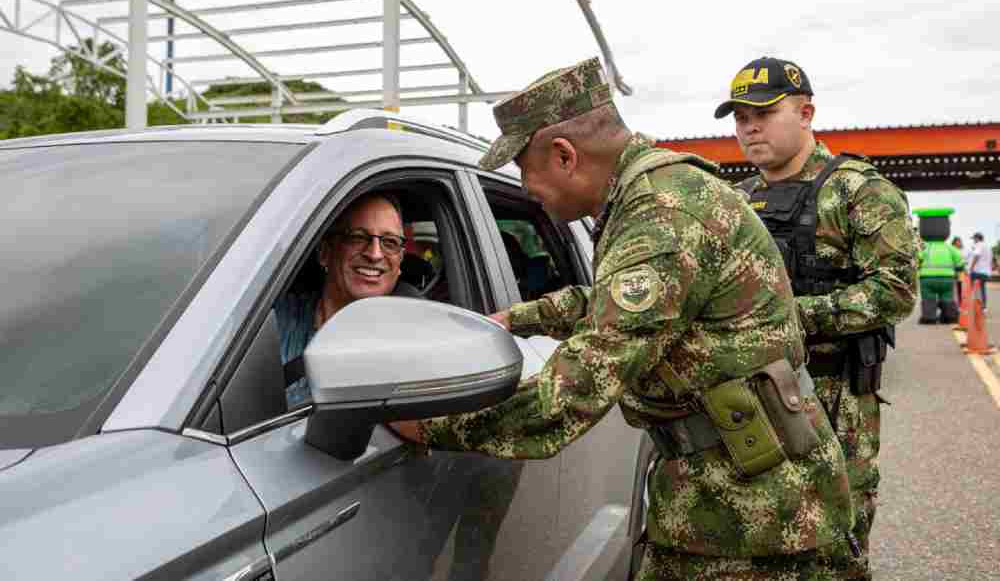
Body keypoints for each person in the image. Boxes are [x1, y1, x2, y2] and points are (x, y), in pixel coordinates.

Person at [392, 57, 856, 579]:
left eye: (523, 167)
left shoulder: (661, 216)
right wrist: (517, 318)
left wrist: (425, 422)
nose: (525, 189)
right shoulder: (649, 197)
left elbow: (574, 392)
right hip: (724, 497)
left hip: (762, 524)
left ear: (564, 156)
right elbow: (618, 301)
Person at [716, 56, 920, 579]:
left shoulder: (857, 189)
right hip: (755, 401)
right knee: (758, 542)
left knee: (836, 545)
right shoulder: (737, 202)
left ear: (806, 113)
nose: (749, 127)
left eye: (763, 112)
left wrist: (792, 318)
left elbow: (895, 290)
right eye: (739, 117)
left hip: (835, 399)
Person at [275, 191, 407, 406]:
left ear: (400, 262)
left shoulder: (412, 341)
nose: (374, 254)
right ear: (325, 252)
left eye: (390, 242)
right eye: (358, 237)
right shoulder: (274, 320)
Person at [968, 232, 991, 311]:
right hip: (986, 273)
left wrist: (971, 267)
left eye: (974, 238)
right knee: (982, 288)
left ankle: (970, 301)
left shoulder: (979, 245)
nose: (973, 240)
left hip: (978, 271)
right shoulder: (988, 247)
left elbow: (977, 255)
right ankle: (984, 307)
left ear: (977, 238)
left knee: (968, 283)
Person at [952, 237, 967, 306]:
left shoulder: (962, 251)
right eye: (957, 241)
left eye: (959, 241)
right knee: (952, 287)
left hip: (960, 270)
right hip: (952, 270)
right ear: (954, 242)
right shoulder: (951, 249)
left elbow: (963, 261)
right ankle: (952, 302)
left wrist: (965, 269)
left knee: (959, 286)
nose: (959, 243)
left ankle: (959, 302)